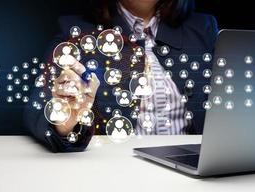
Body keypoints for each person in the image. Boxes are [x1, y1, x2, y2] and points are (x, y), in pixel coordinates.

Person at [24, 0, 218, 152]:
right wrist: (64, 122)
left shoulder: (204, 28)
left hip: (190, 170)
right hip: (113, 171)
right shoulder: (75, 30)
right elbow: (37, 107)